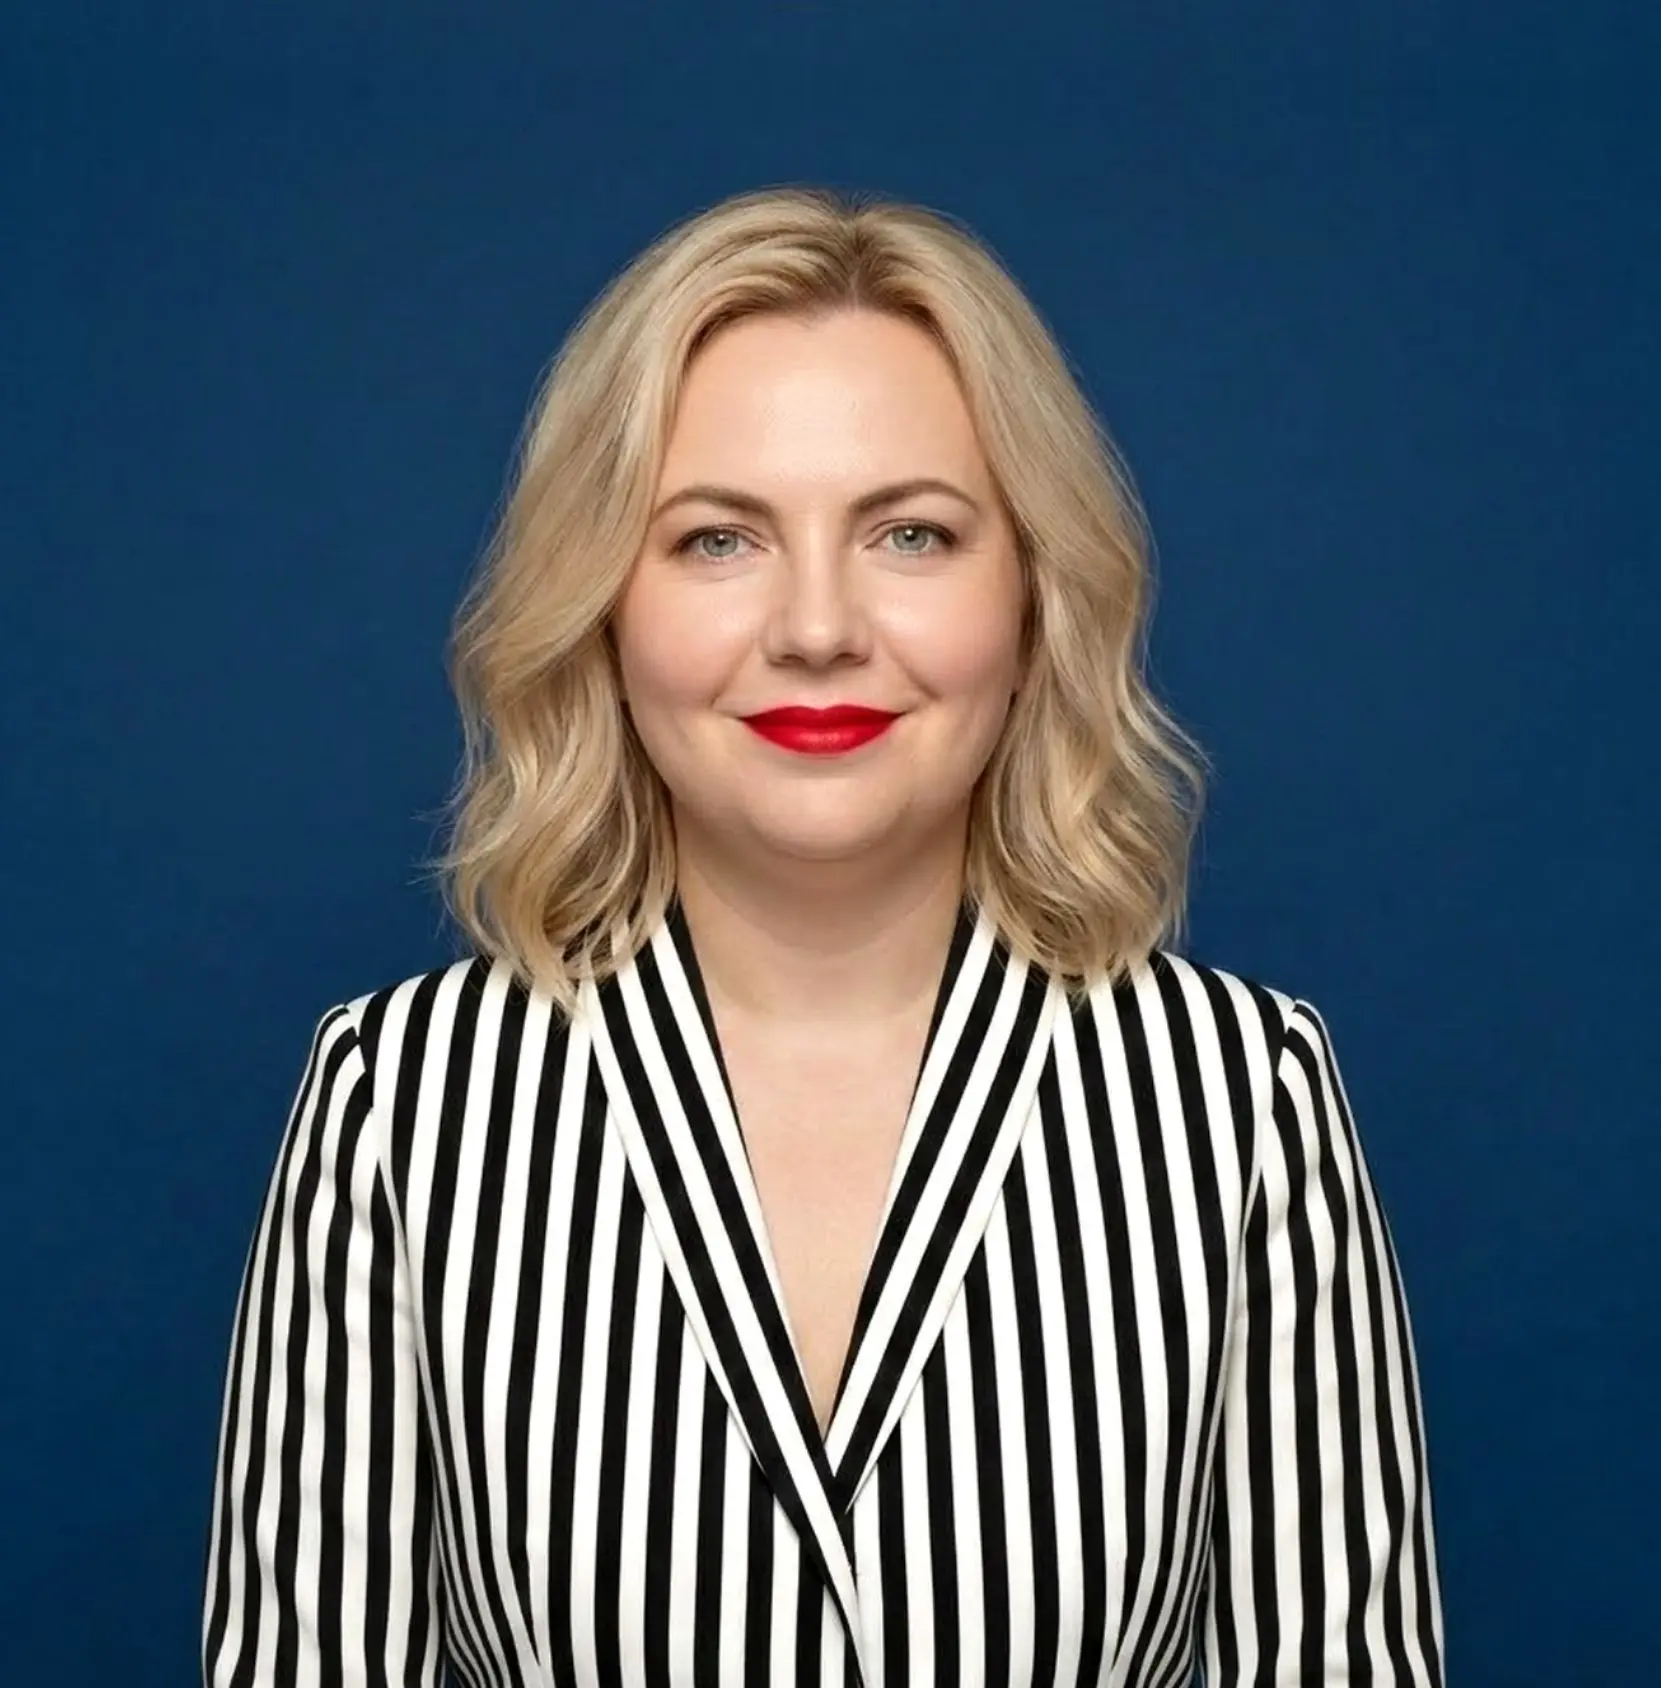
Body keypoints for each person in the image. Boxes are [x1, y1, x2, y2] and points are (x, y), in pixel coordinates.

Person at [200, 185, 1446, 1687]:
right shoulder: (403, 1105)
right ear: (600, 606)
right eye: (717, 539)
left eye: (912, 534)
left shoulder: (1240, 1099)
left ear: (1034, 594)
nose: (815, 628)